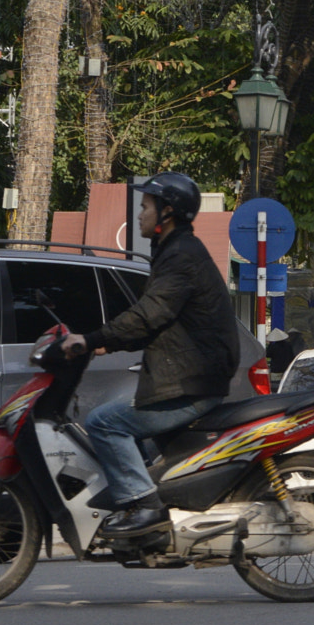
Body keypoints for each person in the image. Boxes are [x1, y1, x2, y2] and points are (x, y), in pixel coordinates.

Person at [64, 172, 241, 536]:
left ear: (167, 212)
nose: (139, 215)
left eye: (145, 206)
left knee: (103, 422)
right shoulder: (176, 251)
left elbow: (151, 313)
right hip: (191, 377)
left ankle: (145, 506)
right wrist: (105, 342)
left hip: (191, 383)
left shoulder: (181, 256)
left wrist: (93, 337)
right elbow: (161, 321)